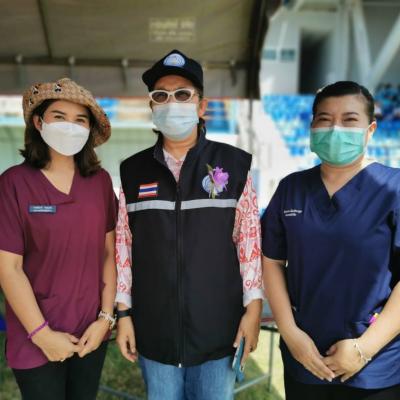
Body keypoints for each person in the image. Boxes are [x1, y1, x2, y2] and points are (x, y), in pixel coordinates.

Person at [115, 49, 263, 400]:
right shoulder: (133, 171)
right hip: (155, 333)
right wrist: (124, 314)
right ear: (152, 106)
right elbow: (124, 248)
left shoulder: (234, 165)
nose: (172, 103)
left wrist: (253, 310)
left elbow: (249, 243)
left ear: (201, 106)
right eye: (161, 96)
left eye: (182, 94)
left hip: (219, 333)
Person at [261, 80, 400, 400]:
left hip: (375, 366)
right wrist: (291, 333)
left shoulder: (393, 189)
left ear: (370, 129)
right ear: (312, 127)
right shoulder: (291, 188)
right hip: (305, 358)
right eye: (325, 119)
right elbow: (271, 261)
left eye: (349, 120)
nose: (336, 129)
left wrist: (365, 349)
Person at [0, 78, 117, 400]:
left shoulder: (100, 182)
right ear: (39, 123)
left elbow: (109, 254)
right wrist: (42, 335)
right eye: (59, 117)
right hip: (35, 335)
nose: (70, 126)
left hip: (90, 331)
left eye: (80, 120)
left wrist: (105, 319)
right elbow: (9, 268)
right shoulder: (13, 184)